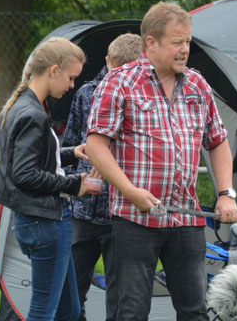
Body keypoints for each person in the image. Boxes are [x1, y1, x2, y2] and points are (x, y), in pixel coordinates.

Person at [85, 1, 237, 321]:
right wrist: (130, 191)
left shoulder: (197, 84)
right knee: (132, 311)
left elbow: (218, 141)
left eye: (187, 41)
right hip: (134, 220)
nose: (184, 49)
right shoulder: (119, 83)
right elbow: (97, 145)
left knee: (194, 310)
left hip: (186, 220)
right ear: (150, 43)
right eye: (176, 42)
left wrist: (225, 193)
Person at [0, 37, 102, 321]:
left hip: (38, 220)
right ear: (53, 70)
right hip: (45, 223)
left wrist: (71, 153)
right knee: (43, 313)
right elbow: (25, 174)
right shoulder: (33, 114)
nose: (73, 85)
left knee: (69, 310)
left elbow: (32, 159)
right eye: (71, 77)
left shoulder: (19, 106)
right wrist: (76, 185)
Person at [61, 33, 143, 321]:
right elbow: (71, 140)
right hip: (83, 212)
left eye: (127, 70)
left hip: (120, 215)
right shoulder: (86, 93)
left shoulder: (144, 98)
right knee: (70, 289)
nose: (119, 76)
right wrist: (75, 184)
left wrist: (108, 164)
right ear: (107, 62)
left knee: (121, 296)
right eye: (115, 69)